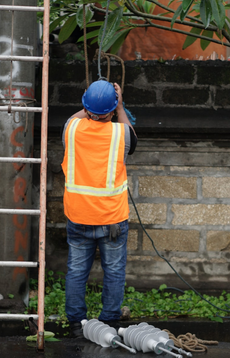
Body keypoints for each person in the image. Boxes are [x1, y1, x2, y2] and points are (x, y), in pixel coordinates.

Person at [61, 80, 137, 338]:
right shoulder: (121, 133)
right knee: (114, 271)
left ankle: (76, 323)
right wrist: (120, 104)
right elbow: (132, 136)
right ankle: (109, 323)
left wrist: (88, 101)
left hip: (78, 216)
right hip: (112, 218)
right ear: (113, 108)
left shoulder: (71, 128)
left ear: (85, 105)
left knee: (76, 270)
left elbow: (75, 117)